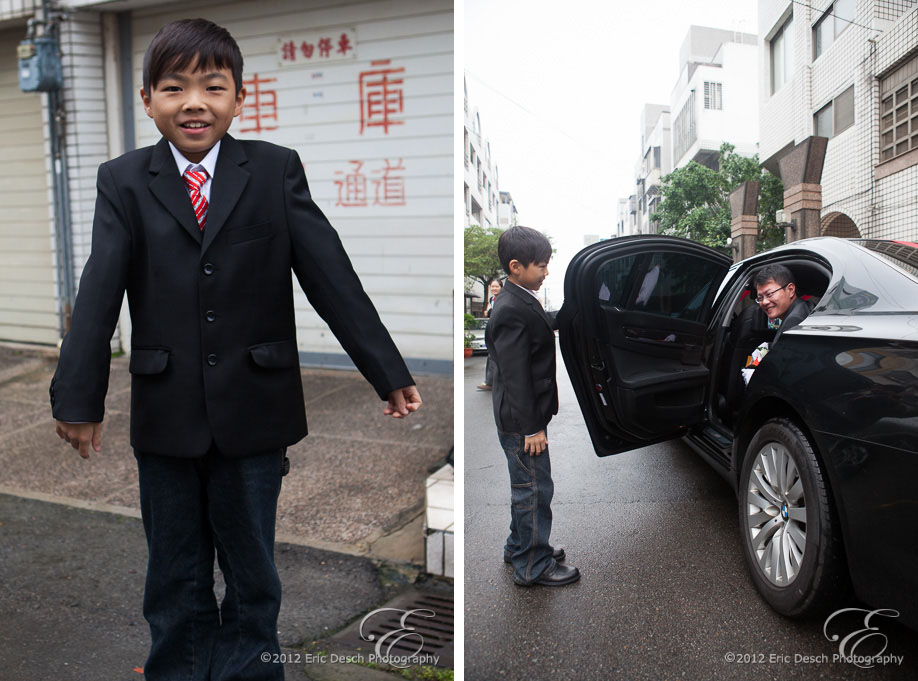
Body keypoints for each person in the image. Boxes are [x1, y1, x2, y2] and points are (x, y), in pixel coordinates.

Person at [49, 19, 421, 681]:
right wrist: (80, 398)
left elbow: (329, 273)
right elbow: (99, 290)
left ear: (239, 98)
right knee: (174, 573)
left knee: (253, 571)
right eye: (174, 88)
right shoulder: (123, 181)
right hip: (166, 417)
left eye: (212, 86)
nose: (194, 102)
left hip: (255, 412)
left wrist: (385, 370)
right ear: (147, 101)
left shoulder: (274, 170)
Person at [485, 225, 580, 587]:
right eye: (540, 265)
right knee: (534, 489)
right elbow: (514, 376)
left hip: (521, 417)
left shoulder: (520, 298)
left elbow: (544, 324)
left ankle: (520, 545)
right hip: (521, 420)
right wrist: (531, 428)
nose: (546, 271)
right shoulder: (510, 307)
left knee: (525, 486)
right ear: (515, 266)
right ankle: (532, 565)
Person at [476, 278, 503, 391]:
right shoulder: (492, 299)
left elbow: (497, 313)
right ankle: (491, 381)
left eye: (496, 286)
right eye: (492, 286)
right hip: (493, 332)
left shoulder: (502, 299)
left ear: (501, 287)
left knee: (493, 357)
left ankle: (491, 382)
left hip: (500, 333)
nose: (494, 288)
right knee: (492, 357)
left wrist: (489, 312)